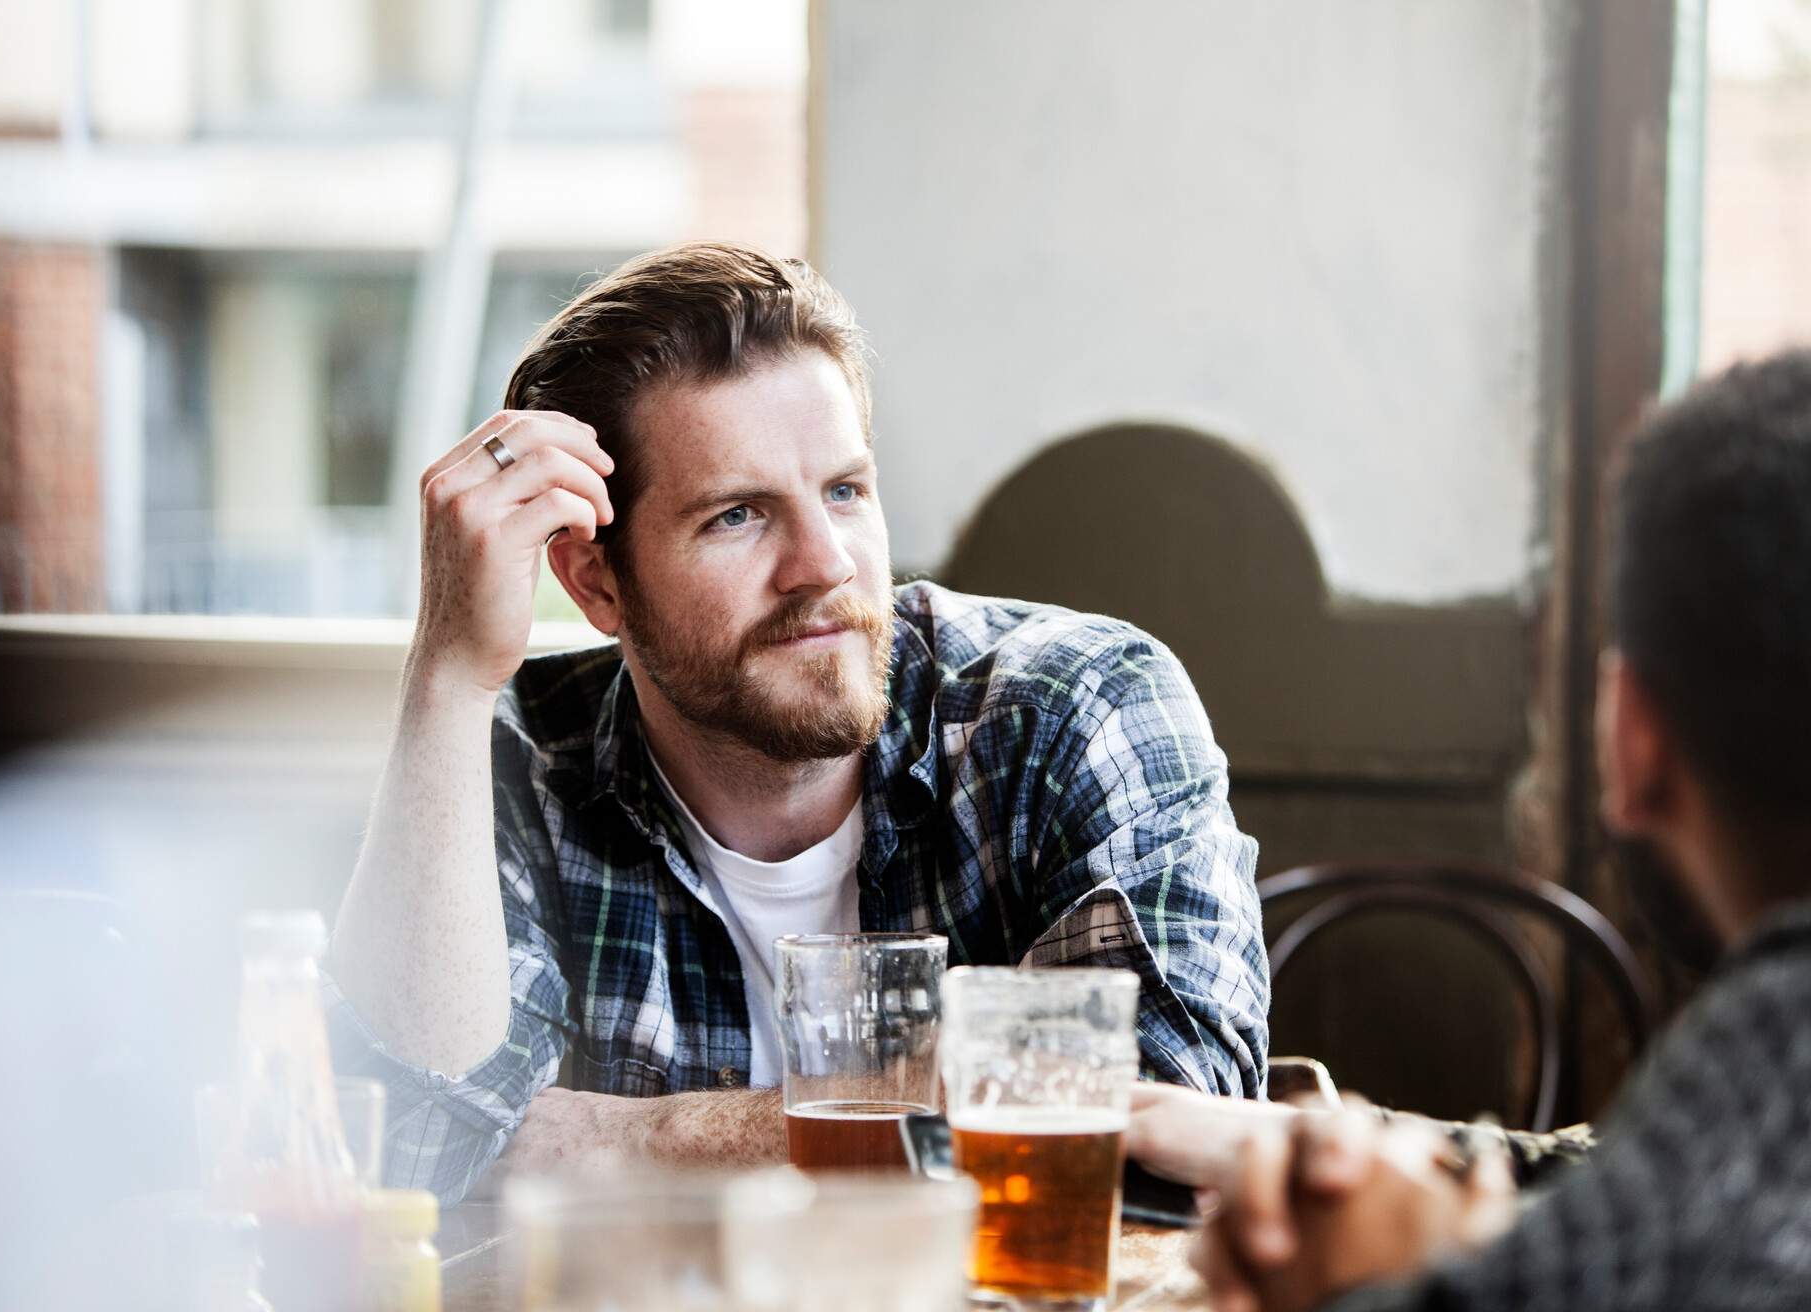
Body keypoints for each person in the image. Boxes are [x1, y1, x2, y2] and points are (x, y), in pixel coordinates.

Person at [324, 242, 1269, 1203]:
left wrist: (588, 1140)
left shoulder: (1077, 704)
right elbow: (407, 1156)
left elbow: (1163, 1118)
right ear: (596, 579)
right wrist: (448, 673)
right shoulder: (507, 757)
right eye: (737, 515)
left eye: (846, 492)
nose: (825, 564)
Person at [1129, 350, 1811, 1310]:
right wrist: (1296, 1140)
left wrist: (1367, 1274)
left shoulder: (1773, 1060)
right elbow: (1626, 1171)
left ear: (1632, 737)